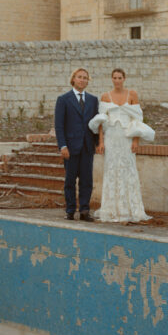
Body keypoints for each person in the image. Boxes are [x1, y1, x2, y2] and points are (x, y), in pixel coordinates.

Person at [89, 68, 154, 223]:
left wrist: (136, 140)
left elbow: (137, 120)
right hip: (111, 137)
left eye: (120, 77)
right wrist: (101, 142)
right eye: (115, 78)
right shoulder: (105, 96)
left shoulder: (132, 95)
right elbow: (101, 121)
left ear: (124, 79)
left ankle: (131, 209)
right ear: (111, 79)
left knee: (128, 170)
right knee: (111, 171)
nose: (117, 80)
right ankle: (111, 209)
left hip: (126, 138)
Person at [54, 67, 99, 222]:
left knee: (87, 180)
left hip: (87, 147)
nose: (82, 80)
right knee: (70, 181)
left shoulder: (93, 100)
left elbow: (96, 124)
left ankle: (85, 210)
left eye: (85, 78)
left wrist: (98, 143)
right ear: (73, 79)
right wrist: (62, 146)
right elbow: (59, 125)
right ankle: (70, 210)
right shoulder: (63, 99)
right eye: (79, 77)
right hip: (70, 148)